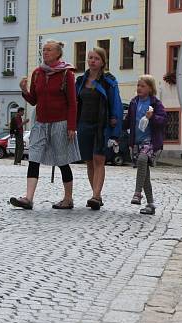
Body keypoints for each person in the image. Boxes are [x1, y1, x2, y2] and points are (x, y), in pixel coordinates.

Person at [9, 40, 80, 210]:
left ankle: (68, 199)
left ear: (58, 53)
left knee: (63, 161)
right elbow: (34, 100)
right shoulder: (38, 73)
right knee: (33, 158)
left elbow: (72, 102)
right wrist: (25, 91)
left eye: (49, 50)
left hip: (60, 123)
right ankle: (28, 198)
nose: (45, 52)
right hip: (40, 123)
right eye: (43, 50)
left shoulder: (66, 74)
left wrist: (71, 126)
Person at [75, 47, 123, 210]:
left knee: (99, 160)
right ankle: (97, 194)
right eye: (90, 58)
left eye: (96, 58)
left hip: (102, 125)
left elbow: (116, 103)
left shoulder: (109, 81)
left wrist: (115, 128)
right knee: (89, 161)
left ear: (103, 62)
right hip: (83, 124)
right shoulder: (81, 81)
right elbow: (74, 102)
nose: (92, 61)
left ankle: (95, 196)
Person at [123, 75, 166, 215]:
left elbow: (163, 120)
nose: (139, 88)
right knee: (145, 173)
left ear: (150, 88)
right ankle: (151, 204)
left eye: (142, 86)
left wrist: (152, 117)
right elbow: (128, 121)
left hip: (151, 142)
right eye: (138, 85)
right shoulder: (134, 102)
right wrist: (115, 129)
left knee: (142, 160)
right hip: (137, 142)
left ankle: (137, 193)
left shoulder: (155, 103)